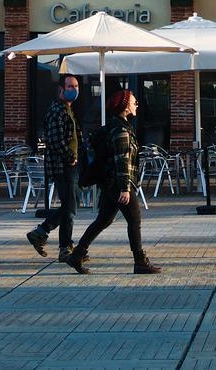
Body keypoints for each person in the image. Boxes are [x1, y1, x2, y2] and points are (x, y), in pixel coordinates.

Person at [66, 88, 160, 276]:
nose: (136, 105)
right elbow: (121, 160)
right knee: (134, 219)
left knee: (103, 220)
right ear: (125, 107)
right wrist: (125, 188)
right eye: (133, 102)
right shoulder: (121, 130)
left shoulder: (116, 126)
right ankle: (140, 261)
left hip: (110, 183)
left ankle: (77, 255)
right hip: (118, 183)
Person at [26, 73, 81, 262]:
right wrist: (70, 156)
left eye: (76, 86)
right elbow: (55, 140)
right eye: (70, 86)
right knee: (69, 207)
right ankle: (64, 247)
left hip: (69, 165)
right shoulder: (57, 110)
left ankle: (42, 232)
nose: (74, 90)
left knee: (71, 205)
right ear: (61, 89)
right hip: (62, 166)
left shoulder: (67, 109)